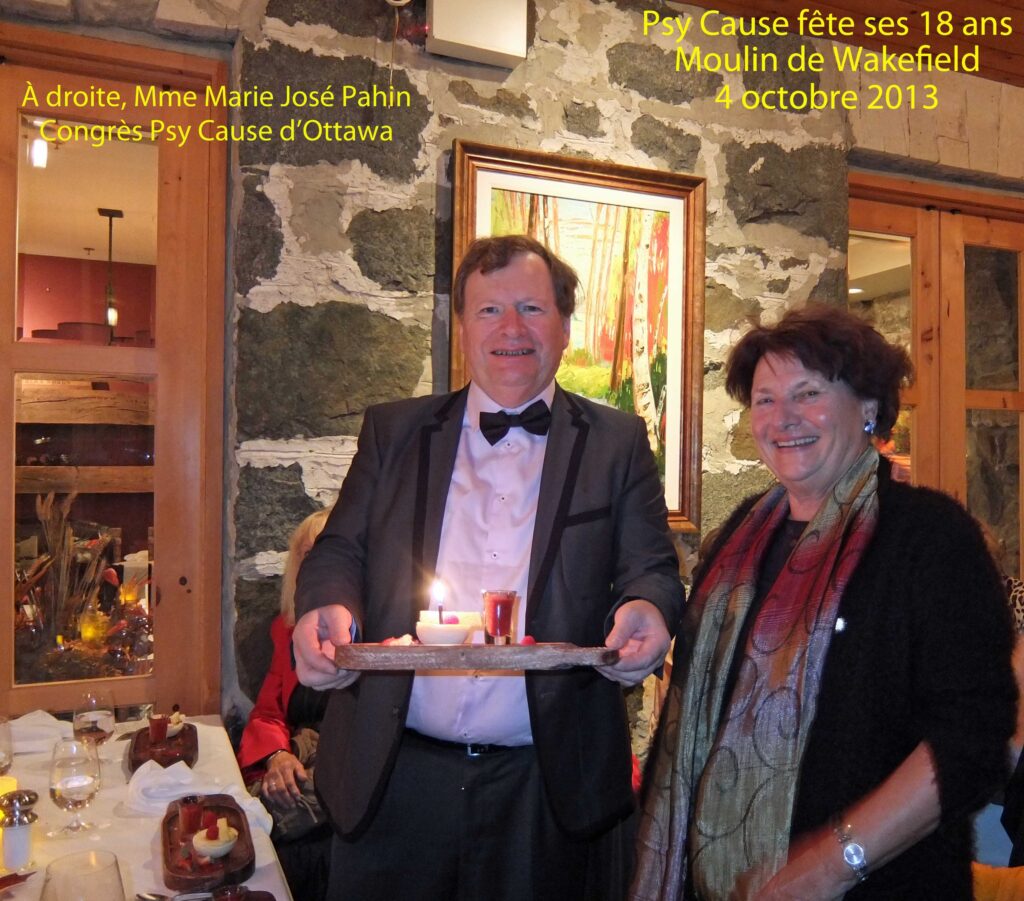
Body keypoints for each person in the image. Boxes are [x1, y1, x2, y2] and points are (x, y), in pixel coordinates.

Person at [292, 234, 684, 901]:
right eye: (489, 310)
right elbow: (339, 550)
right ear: (463, 328)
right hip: (394, 777)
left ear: (564, 326)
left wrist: (645, 608)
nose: (511, 329)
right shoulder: (393, 431)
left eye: (531, 308)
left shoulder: (617, 442)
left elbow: (651, 567)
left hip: (548, 787)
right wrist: (326, 608)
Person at [632, 305, 1017, 900]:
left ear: (868, 407)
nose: (783, 418)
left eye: (808, 393)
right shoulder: (740, 536)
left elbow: (972, 739)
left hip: (879, 885)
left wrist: (834, 863)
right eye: (765, 399)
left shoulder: (932, 538)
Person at [237, 508, 331, 900]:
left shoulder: (375, 632)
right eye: (307, 555)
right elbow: (268, 711)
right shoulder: (286, 630)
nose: (316, 565)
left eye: (327, 553)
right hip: (298, 753)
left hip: (344, 760)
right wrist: (278, 755)